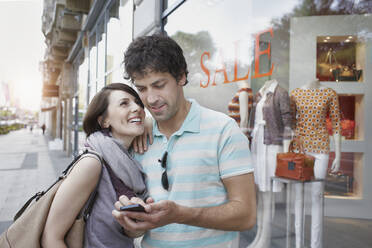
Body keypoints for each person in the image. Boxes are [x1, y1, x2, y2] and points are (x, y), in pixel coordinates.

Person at [112, 34, 256, 248]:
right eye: (141, 89)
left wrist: (180, 214)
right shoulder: (138, 137)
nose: (150, 99)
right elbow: (134, 230)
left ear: (181, 77)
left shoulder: (223, 131)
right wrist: (133, 223)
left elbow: (246, 216)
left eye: (159, 85)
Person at [41, 83, 149, 248]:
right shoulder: (91, 163)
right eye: (124, 103)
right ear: (104, 121)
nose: (137, 108)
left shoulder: (130, 161)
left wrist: (135, 227)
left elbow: (125, 232)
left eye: (137, 102)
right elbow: (51, 237)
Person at [290, 78, 341, 248]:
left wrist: (338, 155)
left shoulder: (329, 93)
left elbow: (336, 124)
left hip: (321, 148)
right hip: (301, 149)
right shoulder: (296, 93)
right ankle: (298, 243)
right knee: (299, 197)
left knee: (317, 196)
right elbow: (291, 124)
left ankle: (315, 245)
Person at [247, 79, 292, 248]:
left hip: (273, 147)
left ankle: (265, 238)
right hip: (258, 146)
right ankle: (259, 235)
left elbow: (288, 125)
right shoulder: (262, 92)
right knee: (260, 194)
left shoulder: (280, 92)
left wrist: (286, 155)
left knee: (268, 196)